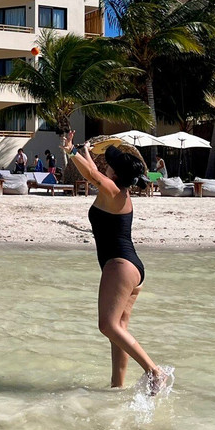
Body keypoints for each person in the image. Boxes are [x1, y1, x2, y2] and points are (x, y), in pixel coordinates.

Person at [64, 130, 169, 394]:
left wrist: (71, 151)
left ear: (114, 173)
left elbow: (91, 174)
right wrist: (83, 151)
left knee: (107, 326)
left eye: (108, 163)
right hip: (132, 268)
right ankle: (116, 388)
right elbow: (91, 172)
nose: (104, 165)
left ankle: (154, 371)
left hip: (119, 265)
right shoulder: (117, 192)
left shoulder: (111, 190)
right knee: (118, 331)